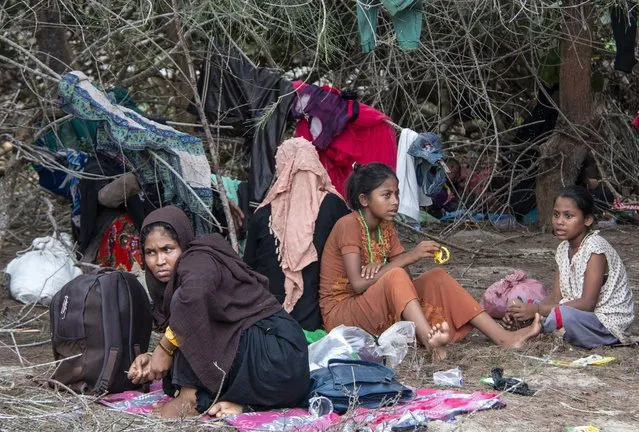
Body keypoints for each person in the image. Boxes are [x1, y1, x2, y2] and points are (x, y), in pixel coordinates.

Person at [319, 163, 541, 360]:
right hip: (343, 313)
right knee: (394, 274)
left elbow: (403, 282)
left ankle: (502, 337)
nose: (395, 202)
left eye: (397, 194)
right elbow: (358, 284)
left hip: (371, 302)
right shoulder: (348, 224)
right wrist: (407, 258)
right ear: (364, 200)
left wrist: (385, 268)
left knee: (436, 276)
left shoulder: (386, 227)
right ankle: (430, 342)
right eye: (386, 195)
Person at [127, 206, 310, 418]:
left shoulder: (198, 259)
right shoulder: (186, 270)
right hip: (265, 356)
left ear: (183, 244)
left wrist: (165, 348)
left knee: (185, 304)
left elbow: (193, 299)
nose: (159, 261)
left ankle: (191, 398)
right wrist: (153, 357)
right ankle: (231, 403)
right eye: (151, 253)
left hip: (278, 354)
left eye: (168, 249)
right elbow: (212, 332)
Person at [506, 185, 635, 348]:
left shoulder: (595, 249)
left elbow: (588, 303)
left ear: (587, 220)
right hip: (578, 314)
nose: (559, 222)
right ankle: (529, 323)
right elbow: (555, 298)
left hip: (604, 325)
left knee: (561, 315)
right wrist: (525, 310)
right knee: (519, 301)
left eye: (568, 216)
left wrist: (536, 310)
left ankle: (533, 327)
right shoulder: (563, 249)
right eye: (556, 215)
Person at [244, 138, 349, 330]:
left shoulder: (262, 214)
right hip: (318, 321)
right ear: (315, 164)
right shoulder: (335, 205)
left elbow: (248, 269)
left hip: (265, 321)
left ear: (281, 167)